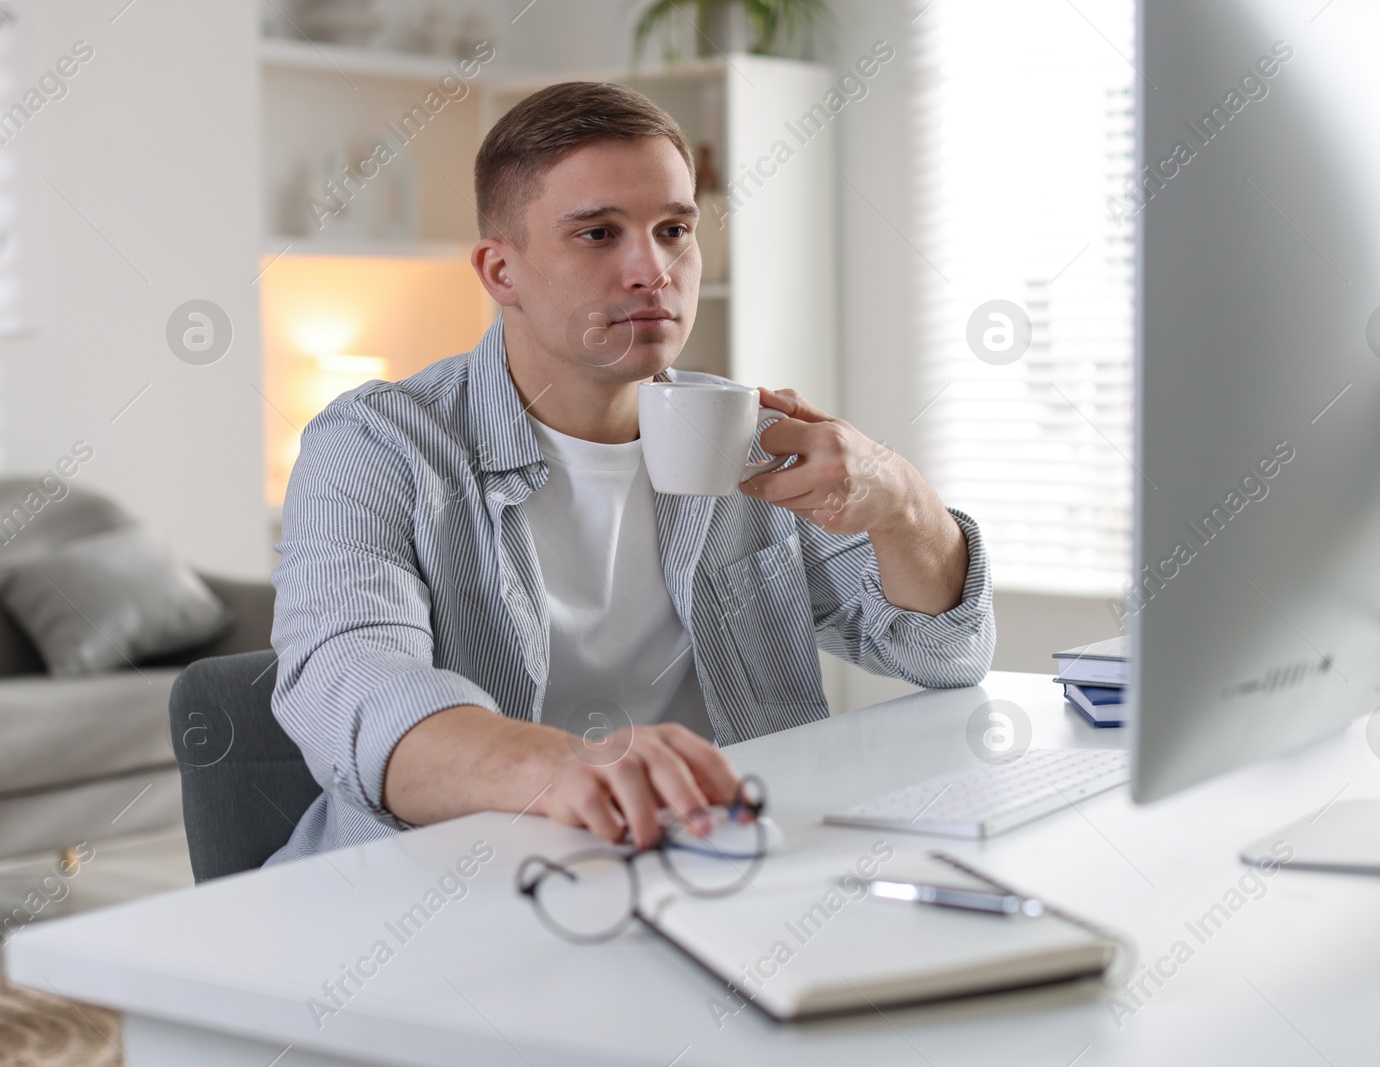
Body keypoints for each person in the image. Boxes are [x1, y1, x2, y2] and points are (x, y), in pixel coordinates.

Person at [266, 81, 994, 864]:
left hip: (717, 872)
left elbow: (945, 656)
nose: (652, 269)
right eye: (598, 233)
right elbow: (348, 684)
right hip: (435, 895)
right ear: (501, 271)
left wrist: (904, 506)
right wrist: (563, 766)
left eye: (674, 227)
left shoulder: (748, 431)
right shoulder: (375, 447)